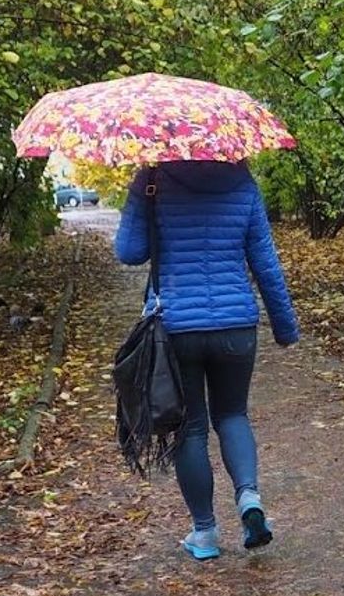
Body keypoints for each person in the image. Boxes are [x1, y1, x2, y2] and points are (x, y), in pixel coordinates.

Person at [114, 160, 299, 561]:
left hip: (176, 329)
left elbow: (129, 253)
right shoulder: (242, 181)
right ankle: (249, 498)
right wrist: (285, 327)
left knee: (191, 429)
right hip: (236, 327)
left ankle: (205, 533)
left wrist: (141, 192)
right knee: (233, 415)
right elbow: (265, 262)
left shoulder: (152, 181)